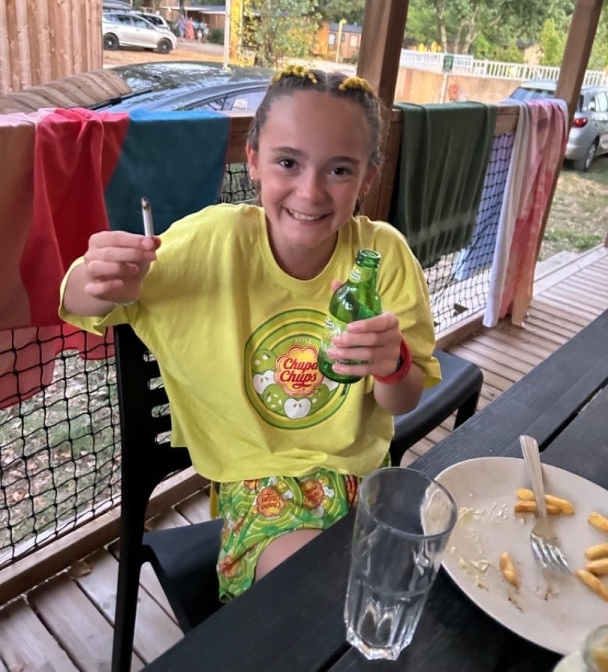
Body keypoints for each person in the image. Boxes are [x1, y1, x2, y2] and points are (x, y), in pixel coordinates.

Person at [59, 65, 441, 601]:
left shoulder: (384, 255)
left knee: (414, 595)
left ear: (367, 179)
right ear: (254, 161)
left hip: (364, 476)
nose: (310, 191)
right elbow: (75, 300)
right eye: (288, 162)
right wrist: (101, 277)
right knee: (322, 600)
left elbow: (403, 399)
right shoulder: (210, 243)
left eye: (339, 170)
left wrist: (392, 364)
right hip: (258, 484)